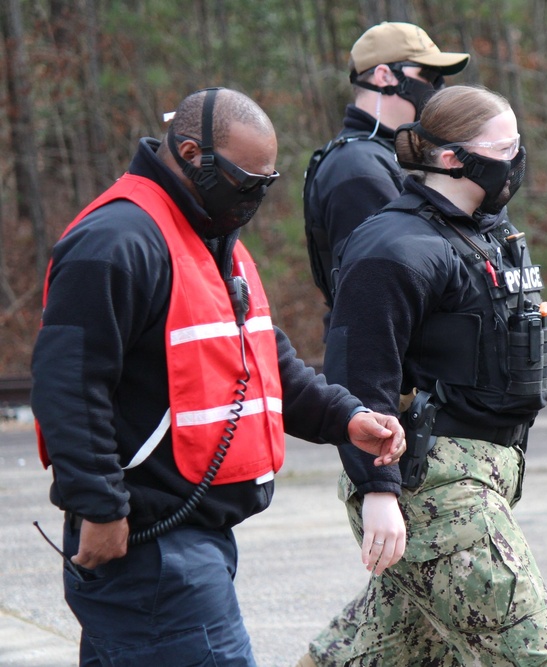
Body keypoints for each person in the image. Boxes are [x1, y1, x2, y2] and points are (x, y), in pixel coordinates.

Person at [298, 85, 547, 666]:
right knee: (537, 655)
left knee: (374, 657)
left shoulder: (487, 235)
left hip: (483, 477)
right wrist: (378, 492)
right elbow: (361, 382)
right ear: (450, 158)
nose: (517, 160)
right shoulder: (394, 249)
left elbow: (534, 351)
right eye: (504, 147)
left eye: (520, 145)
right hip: (435, 487)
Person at [30, 86, 406, 666]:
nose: (253, 198)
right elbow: (68, 387)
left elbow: (262, 361)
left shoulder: (207, 239)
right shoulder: (115, 240)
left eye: (265, 184)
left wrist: (345, 417)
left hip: (191, 542)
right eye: (243, 182)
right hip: (149, 547)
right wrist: (101, 507)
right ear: (189, 153)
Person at [303, 21, 469, 318]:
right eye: (429, 76)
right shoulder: (358, 166)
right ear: (384, 76)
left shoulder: (391, 154)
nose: (438, 88)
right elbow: (376, 289)